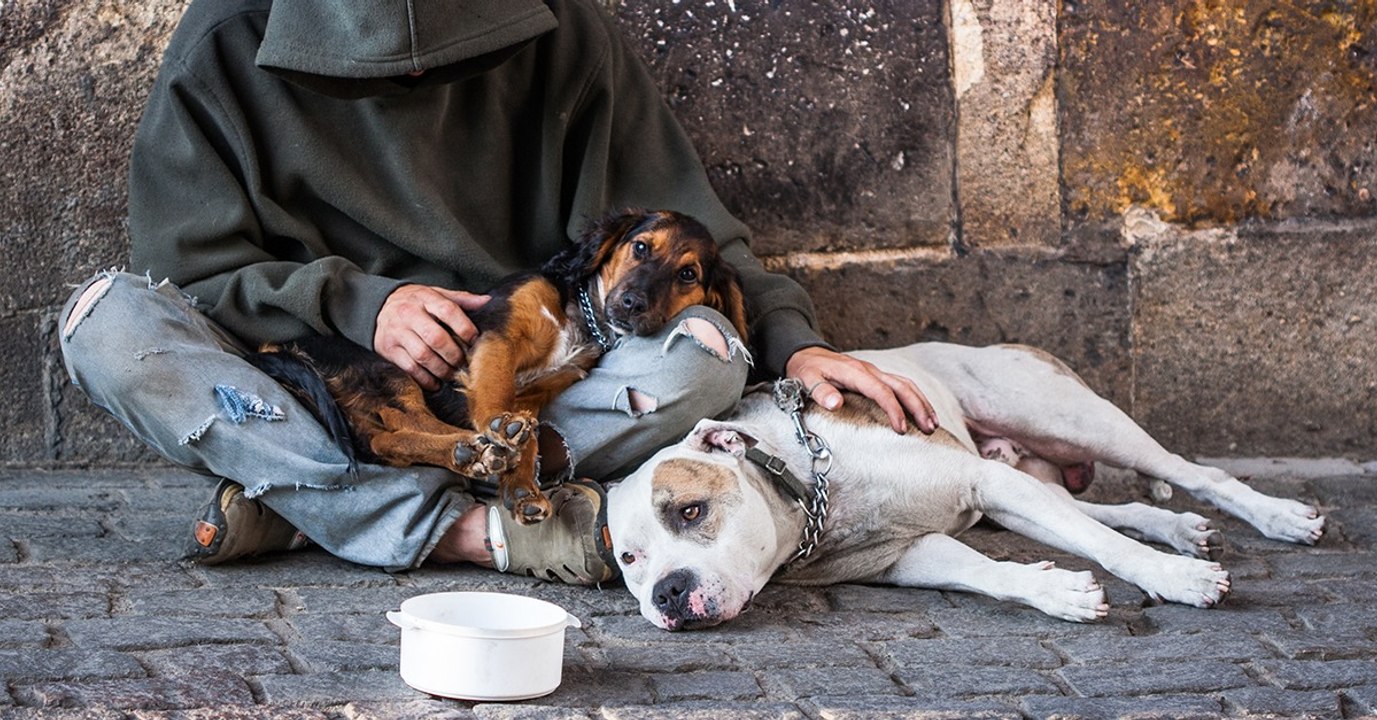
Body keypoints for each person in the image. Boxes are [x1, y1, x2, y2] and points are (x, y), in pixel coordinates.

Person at [59, 0, 936, 584]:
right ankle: (484, 534)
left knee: (703, 359)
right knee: (105, 325)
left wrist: (794, 343)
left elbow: (690, 232)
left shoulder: (563, 27)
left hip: (525, 389)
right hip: (306, 378)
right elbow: (195, 274)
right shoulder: (224, 37)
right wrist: (362, 303)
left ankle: (304, 504)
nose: (413, 76)